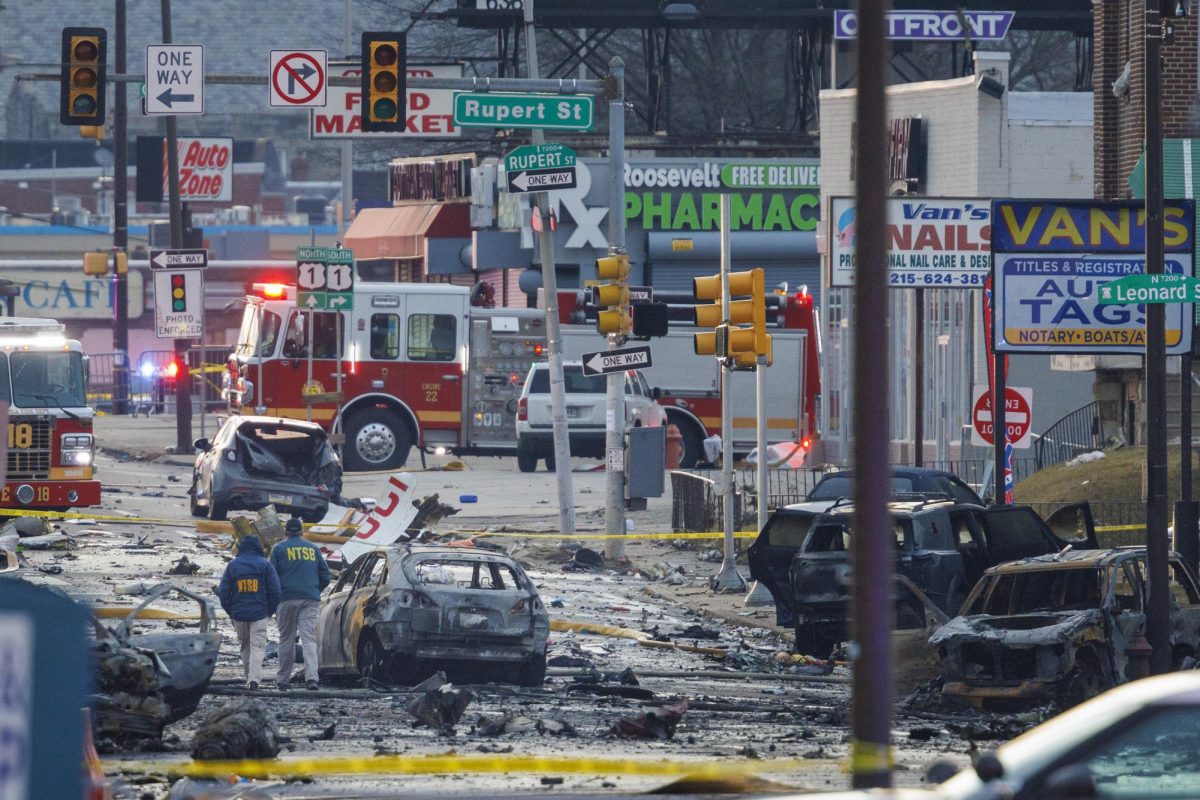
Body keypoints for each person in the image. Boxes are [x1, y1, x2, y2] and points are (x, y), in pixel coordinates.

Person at [269, 516, 331, 691]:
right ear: (302, 532)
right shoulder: (313, 549)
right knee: (309, 639)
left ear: (285, 532)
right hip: (310, 599)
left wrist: (274, 598)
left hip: (286, 598)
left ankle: (283, 680)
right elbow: (326, 576)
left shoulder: (279, 548)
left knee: (286, 639)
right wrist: (313, 590)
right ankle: (312, 679)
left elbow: (271, 577)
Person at [217, 534, 281, 690]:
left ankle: (249, 677)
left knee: (245, 646)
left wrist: (231, 612)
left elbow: (223, 593)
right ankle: (254, 680)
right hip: (260, 614)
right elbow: (276, 591)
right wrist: (269, 611)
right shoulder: (265, 565)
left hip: (239, 614)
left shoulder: (233, 566)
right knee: (258, 647)